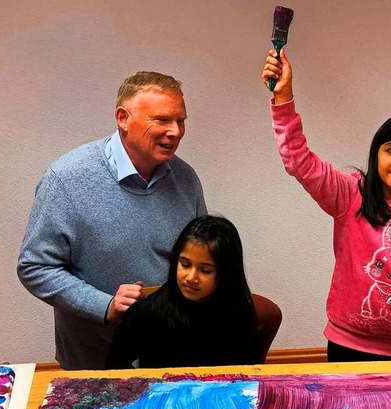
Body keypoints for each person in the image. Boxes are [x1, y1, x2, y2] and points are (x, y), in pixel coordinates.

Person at [18, 71, 281, 370]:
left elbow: (206, 256)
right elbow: (35, 267)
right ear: (122, 118)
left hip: (173, 359)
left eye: (180, 121)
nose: (176, 131)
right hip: (96, 361)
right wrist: (103, 305)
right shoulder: (66, 178)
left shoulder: (185, 178)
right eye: (162, 120)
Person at [261, 50, 391, 362]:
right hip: (345, 343)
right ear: (376, 154)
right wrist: (283, 96)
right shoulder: (350, 194)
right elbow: (298, 159)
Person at [105, 215, 260, 369]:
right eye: (185, 264)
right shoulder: (146, 312)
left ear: (227, 273)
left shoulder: (239, 311)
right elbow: (113, 369)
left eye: (205, 270)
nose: (191, 278)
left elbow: (250, 372)